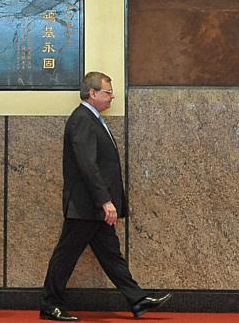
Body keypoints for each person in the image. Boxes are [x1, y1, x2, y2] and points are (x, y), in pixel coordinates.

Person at [39, 72, 171, 321]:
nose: (112, 96)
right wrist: (105, 200)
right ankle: (50, 304)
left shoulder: (92, 119)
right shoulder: (82, 119)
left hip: (92, 207)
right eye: (108, 92)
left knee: (110, 255)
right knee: (65, 256)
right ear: (92, 93)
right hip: (84, 206)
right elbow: (87, 165)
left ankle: (137, 299)